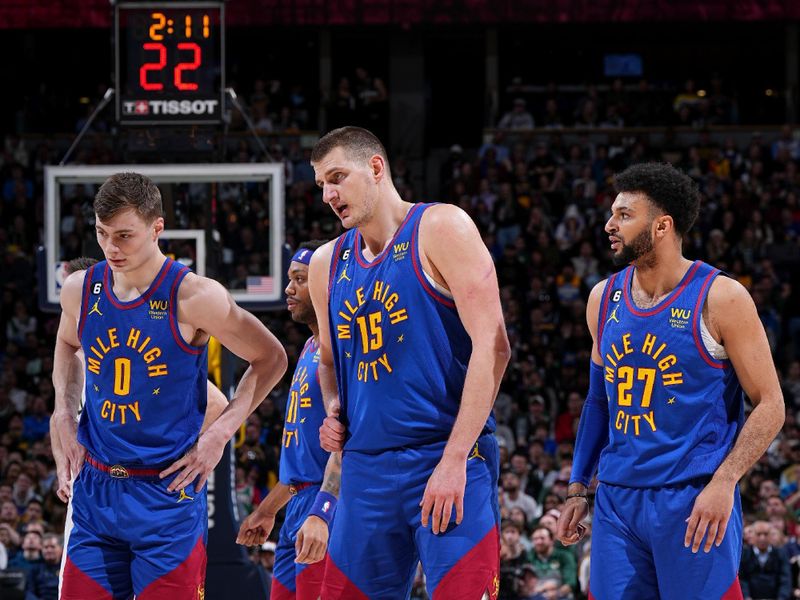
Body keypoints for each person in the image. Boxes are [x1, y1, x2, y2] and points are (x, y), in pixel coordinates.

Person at [52, 172, 288, 599]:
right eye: (102, 234)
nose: (111, 247)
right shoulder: (80, 289)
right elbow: (67, 347)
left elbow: (271, 358)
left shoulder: (195, 296)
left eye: (124, 235)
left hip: (165, 497)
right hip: (97, 494)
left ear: (157, 227)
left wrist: (219, 434)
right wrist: (64, 413)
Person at [556, 162, 785, 598]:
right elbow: (597, 403)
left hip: (692, 499)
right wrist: (577, 488)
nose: (610, 224)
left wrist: (725, 482)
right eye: (612, 214)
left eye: (624, 215)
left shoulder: (722, 297)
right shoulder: (602, 298)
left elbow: (771, 404)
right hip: (616, 502)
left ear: (662, 225)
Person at [308, 126, 510, 598]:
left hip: (444, 455)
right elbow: (328, 361)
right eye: (321, 184)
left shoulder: (441, 227)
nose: (329, 194)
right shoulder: (326, 263)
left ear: (376, 167)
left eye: (337, 176)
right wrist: (334, 409)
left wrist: (455, 457)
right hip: (364, 472)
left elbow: (494, 345)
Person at [50, 256, 231, 598]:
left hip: (156, 488)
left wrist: (197, 449)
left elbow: (219, 404)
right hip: (96, 488)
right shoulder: (78, 354)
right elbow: (63, 416)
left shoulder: (144, 337)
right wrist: (65, 465)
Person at [236, 241, 342, 600]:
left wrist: (325, 511)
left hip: (325, 504)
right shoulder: (312, 349)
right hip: (296, 504)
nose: (288, 288)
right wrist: (266, 511)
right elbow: (302, 460)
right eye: (289, 278)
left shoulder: (342, 349)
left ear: (325, 284)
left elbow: (346, 446)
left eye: (299, 279)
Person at [738, 521, 793, 600]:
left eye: (766, 534)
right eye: (758, 534)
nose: (762, 538)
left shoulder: (781, 553)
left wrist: (782, 597)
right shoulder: (744, 554)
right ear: (752, 536)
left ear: (771, 535)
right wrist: (746, 597)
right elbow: (742, 579)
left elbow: (785, 579)